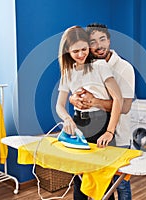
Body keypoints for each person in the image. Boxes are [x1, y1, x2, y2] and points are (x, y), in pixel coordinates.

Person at [69, 23, 135, 200]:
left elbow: (125, 106)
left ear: (109, 40)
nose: (99, 46)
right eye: (93, 41)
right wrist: (73, 99)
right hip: (91, 132)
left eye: (102, 39)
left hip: (118, 135)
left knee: (120, 184)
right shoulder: (87, 67)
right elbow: (76, 93)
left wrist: (95, 102)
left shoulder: (124, 68)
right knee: (85, 180)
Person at [56, 25, 123, 200]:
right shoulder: (67, 73)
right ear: (67, 51)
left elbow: (118, 99)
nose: (81, 54)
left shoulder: (100, 66)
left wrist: (110, 131)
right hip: (79, 124)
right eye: (75, 51)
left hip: (101, 124)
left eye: (84, 49)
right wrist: (67, 119)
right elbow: (60, 105)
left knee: (104, 184)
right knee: (79, 183)